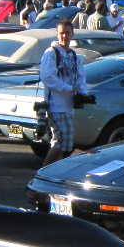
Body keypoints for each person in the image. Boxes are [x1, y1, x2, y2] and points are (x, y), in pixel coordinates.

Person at [38, 20, 89, 166]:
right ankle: (42, 172)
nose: (64, 36)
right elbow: (47, 77)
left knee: (65, 143)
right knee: (61, 141)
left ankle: (55, 173)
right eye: (61, 33)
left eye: (67, 33)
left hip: (69, 105)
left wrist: (82, 94)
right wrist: (68, 88)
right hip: (56, 104)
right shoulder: (51, 53)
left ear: (72, 34)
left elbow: (80, 78)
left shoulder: (73, 56)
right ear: (57, 34)